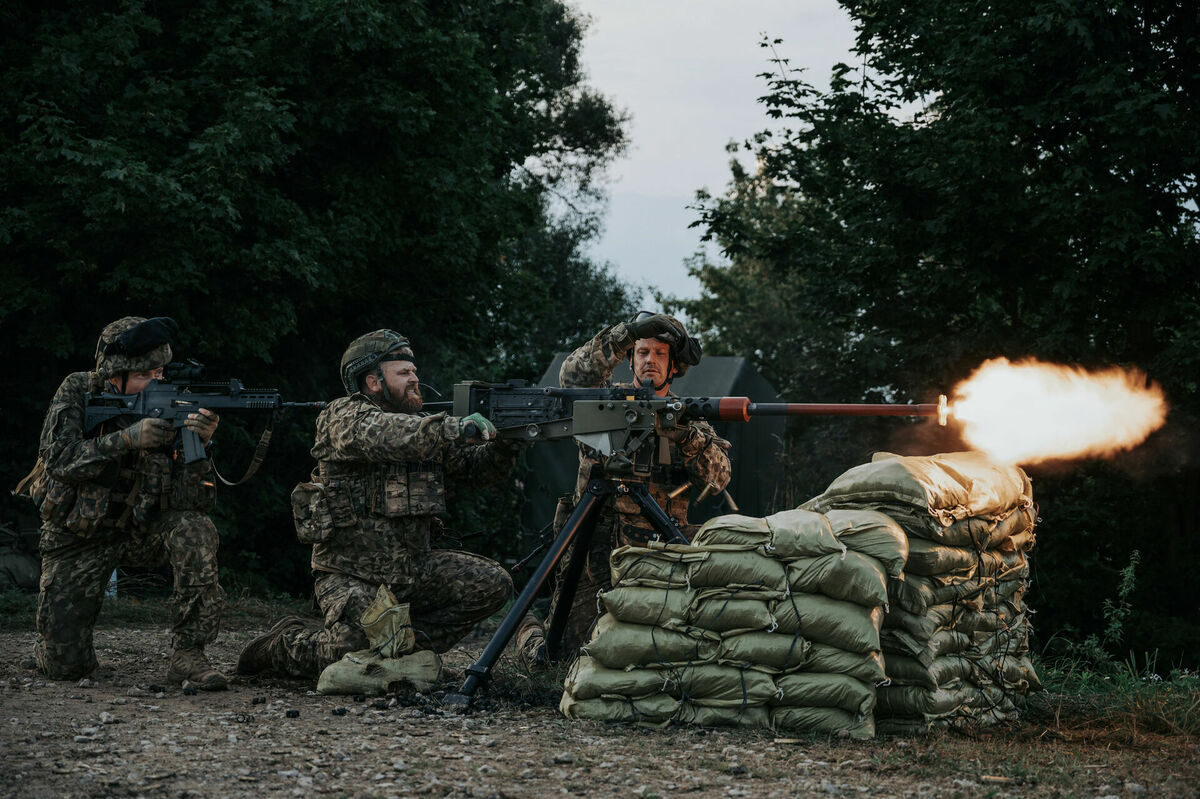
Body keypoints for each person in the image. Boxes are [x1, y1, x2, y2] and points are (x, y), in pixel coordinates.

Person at [236, 329, 520, 680]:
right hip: (351, 575)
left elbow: (477, 472)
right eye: (403, 372)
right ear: (373, 381)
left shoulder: (424, 428)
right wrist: (453, 428)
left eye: (414, 371)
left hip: (412, 570)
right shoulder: (343, 416)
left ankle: (403, 655)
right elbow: (383, 434)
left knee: (492, 584)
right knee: (350, 649)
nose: (415, 378)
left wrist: (508, 441)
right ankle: (281, 647)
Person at [23, 316, 228, 689]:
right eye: (144, 374)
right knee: (65, 666)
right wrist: (127, 439)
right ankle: (51, 646)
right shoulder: (78, 389)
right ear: (114, 375)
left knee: (195, 529)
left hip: (139, 532)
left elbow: (195, 502)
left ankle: (188, 654)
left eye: (160, 372)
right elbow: (59, 460)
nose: (156, 381)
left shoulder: (175, 404)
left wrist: (201, 445)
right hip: (78, 539)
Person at [517, 311, 733, 665]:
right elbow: (571, 375)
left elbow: (719, 477)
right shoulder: (600, 404)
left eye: (660, 354)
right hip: (594, 556)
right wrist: (626, 334)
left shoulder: (688, 418)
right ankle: (526, 627)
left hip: (663, 553)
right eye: (642, 352)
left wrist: (683, 435)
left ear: (674, 366)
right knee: (559, 659)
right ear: (630, 359)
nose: (650, 361)